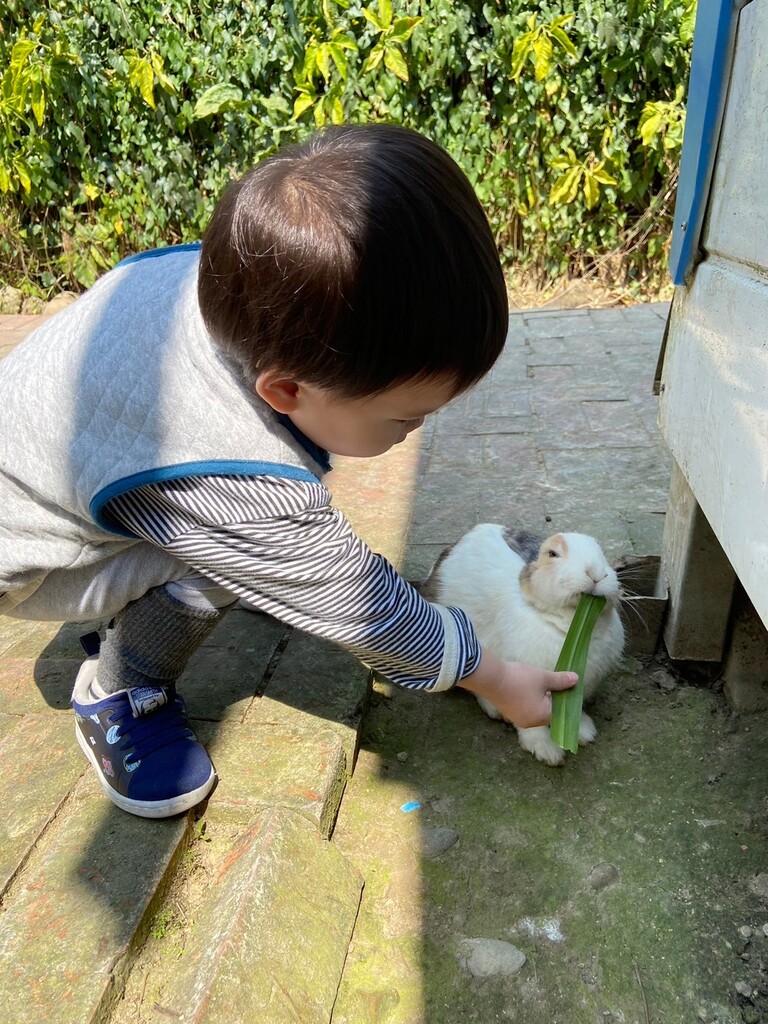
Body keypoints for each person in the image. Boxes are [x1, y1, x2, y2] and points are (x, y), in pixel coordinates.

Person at [0, 124, 576, 819]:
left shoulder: (235, 283)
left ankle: (132, 597)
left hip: (70, 465)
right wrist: (493, 677)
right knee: (245, 557)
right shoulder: (225, 468)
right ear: (283, 391)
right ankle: (123, 689)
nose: (417, 431)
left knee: (253, 538)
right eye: (403, 419)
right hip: (28, 557)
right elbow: (363, 605)